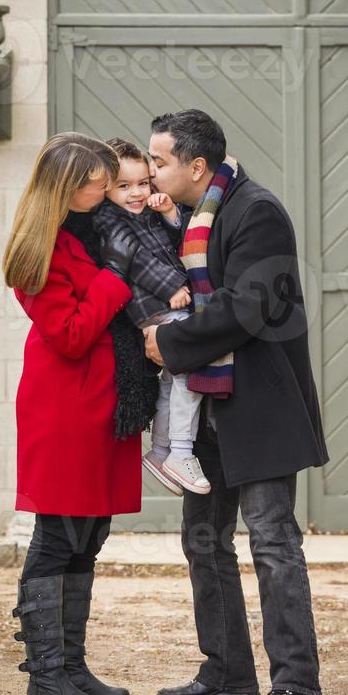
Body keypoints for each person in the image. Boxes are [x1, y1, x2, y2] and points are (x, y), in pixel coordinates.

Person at [142, 109, 330, 695]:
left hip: (260, 407)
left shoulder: (256, 211)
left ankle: (296, 685)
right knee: (203, 542)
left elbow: (249, 306)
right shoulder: (186, 219)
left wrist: (170, 343)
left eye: (160, 160)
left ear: (196, 166)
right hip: (208, 410)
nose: (150, 170)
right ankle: (226, 673)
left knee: (273, 543)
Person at [3, 132, 157, 695]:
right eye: (98, 177)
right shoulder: (38, 250)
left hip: (102, 403)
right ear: (69, 185)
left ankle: (70, 666)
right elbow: (69, 334)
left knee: (88, 538)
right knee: (58, 538)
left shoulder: (91, 231)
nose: (107, 184)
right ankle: (45, 678)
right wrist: (115, 279)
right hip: (66, 407)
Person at [91, 136, 210, 496]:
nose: (137, 193)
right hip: (154, 306)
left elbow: (176, 240)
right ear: (107, 187)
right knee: (189, 373)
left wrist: (170, 213)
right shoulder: (109, 220)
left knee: (171, 380)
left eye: (144, 183)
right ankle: (181, 451)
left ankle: (160, 452)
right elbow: (136, 261)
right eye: (124, 186)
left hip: (165, 304)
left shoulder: (146, 213)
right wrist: (173, 286)